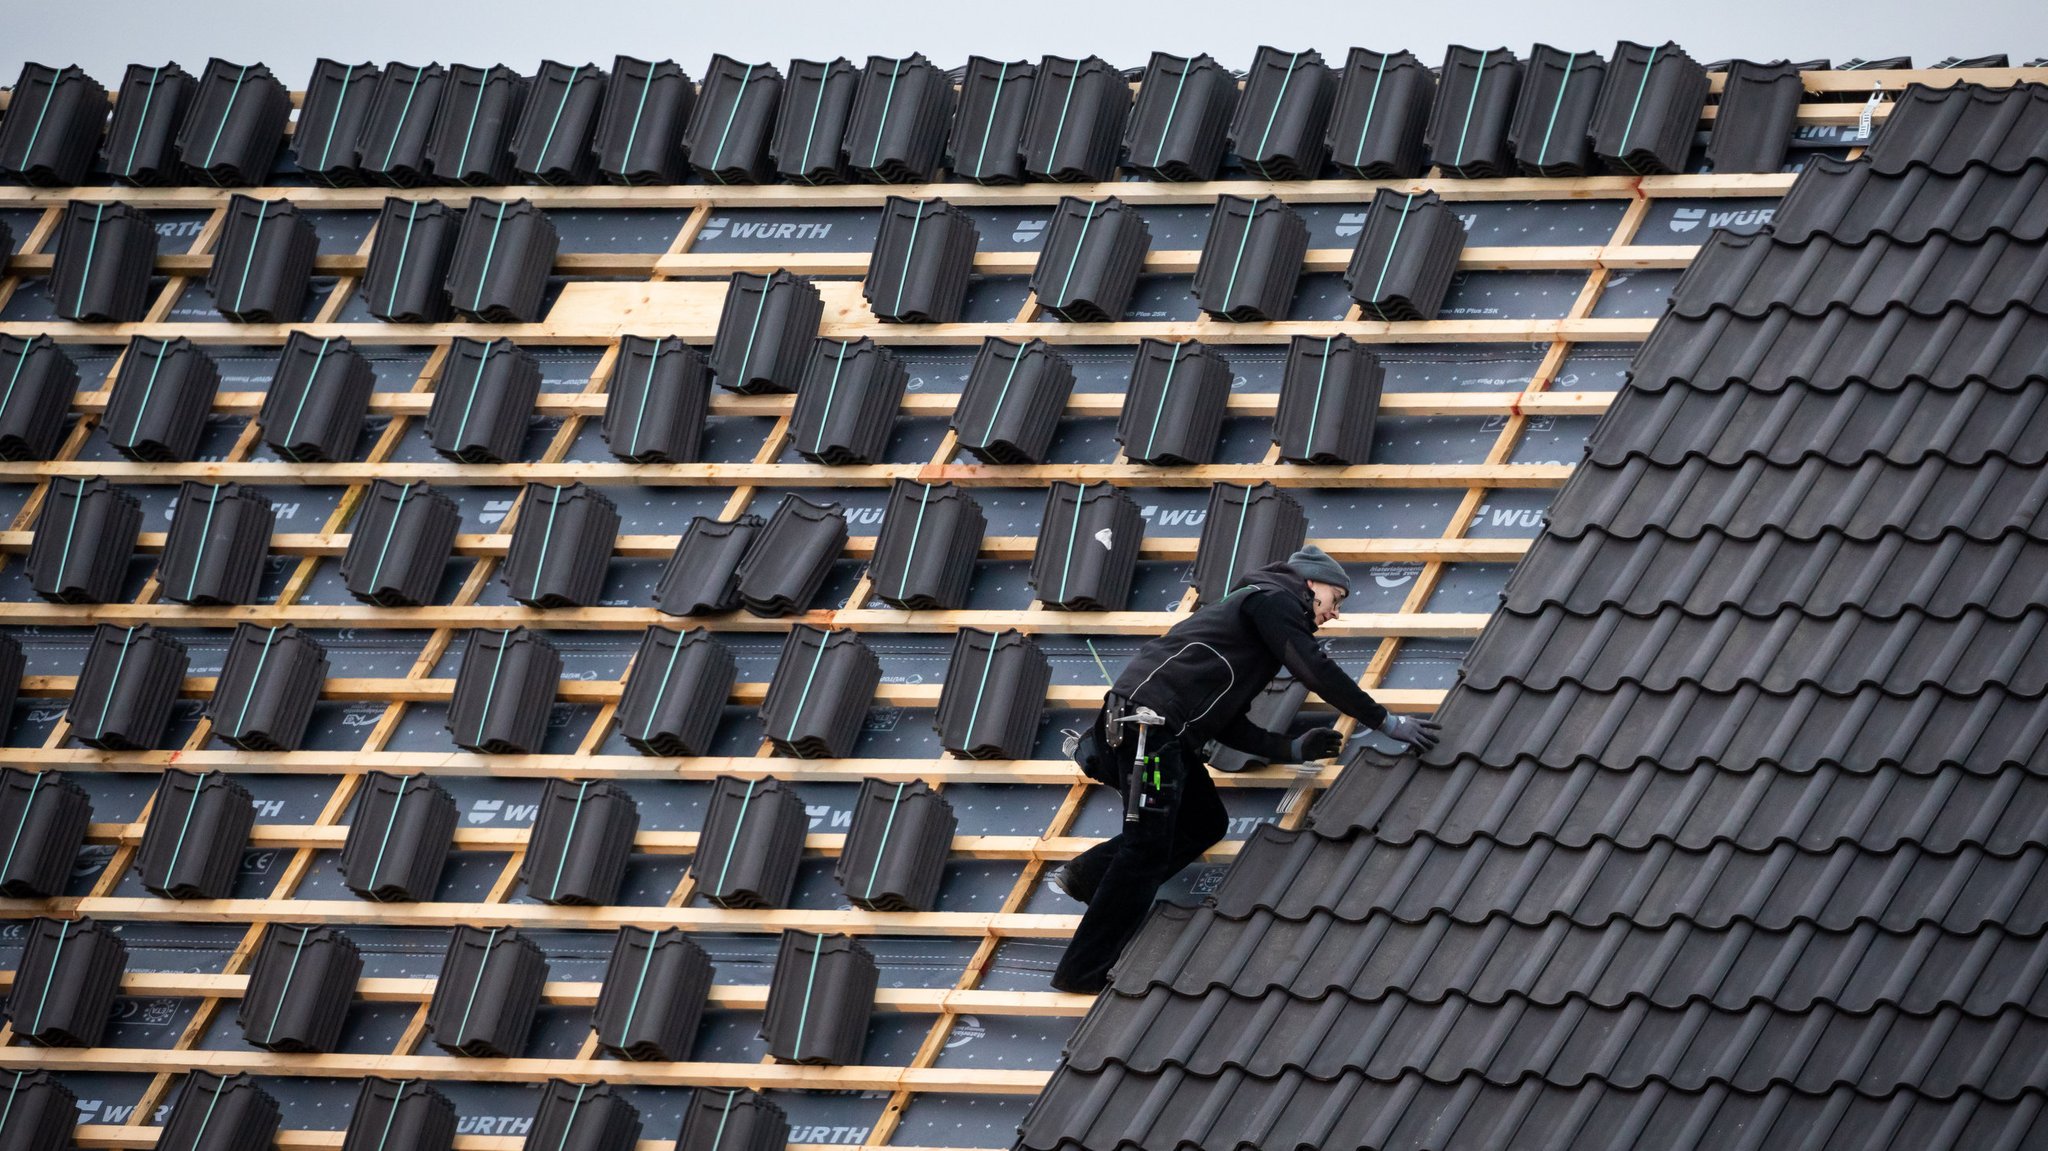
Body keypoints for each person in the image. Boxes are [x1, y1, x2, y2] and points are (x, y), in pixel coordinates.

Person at [1048, 544, 1441, 993]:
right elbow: (1314, 668)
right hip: (1148, 733)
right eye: (1337, 599)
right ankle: (1081, 972)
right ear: (1311, 584)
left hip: (1160, 734)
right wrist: (1386, 721)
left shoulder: (1248, 626)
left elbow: (1228, 723)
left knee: (1204, 822)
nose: (1335, 613)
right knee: (1146, 851)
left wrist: (1290, 749)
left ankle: (1089, 875)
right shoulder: (1272, 600)